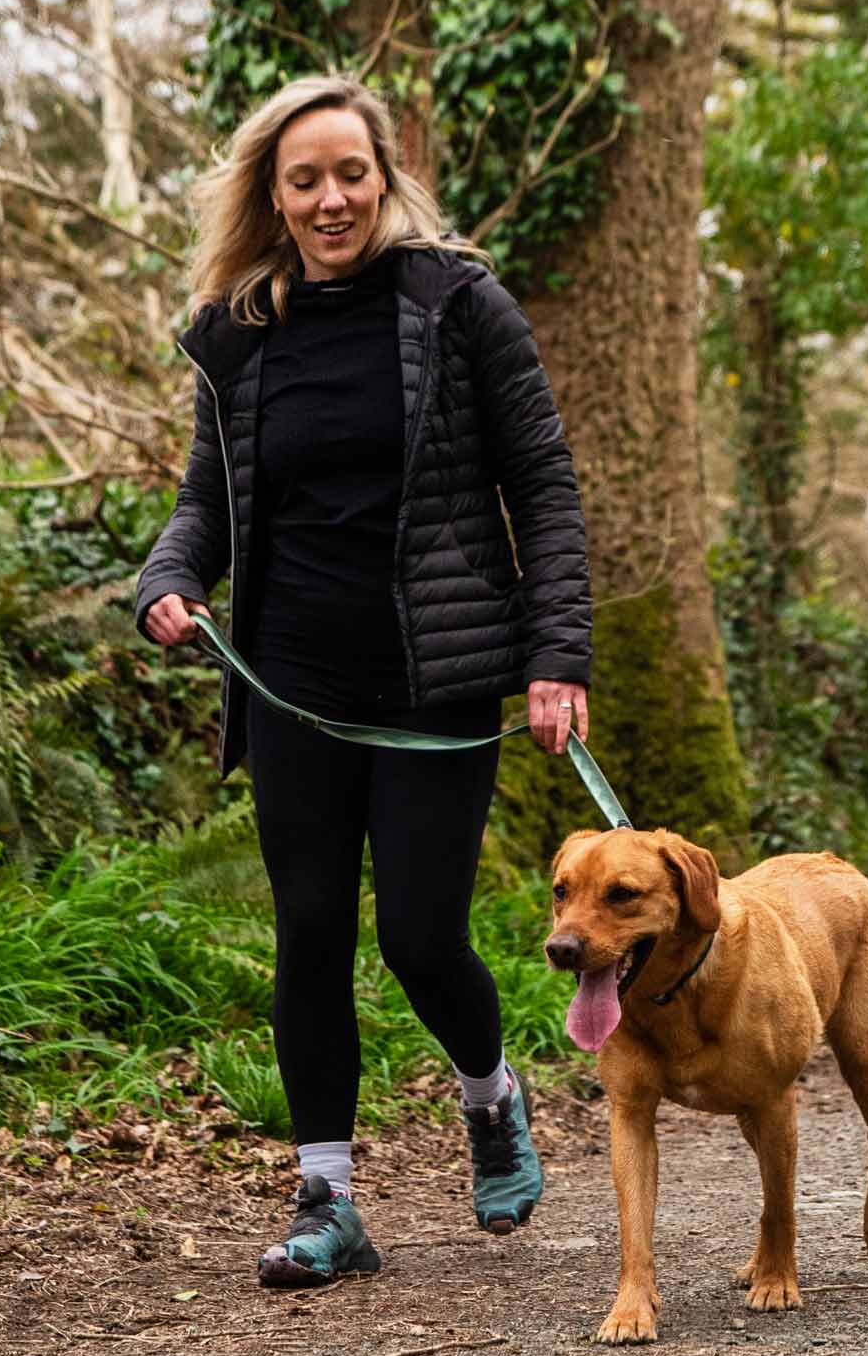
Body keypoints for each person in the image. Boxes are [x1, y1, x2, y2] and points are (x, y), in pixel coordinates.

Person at [135, 74, 592, 1288]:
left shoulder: (457, 305)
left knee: (421, 936)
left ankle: (490, 1095)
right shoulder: (238, 335)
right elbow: (206, 507)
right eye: (304, 179)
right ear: (273, 197)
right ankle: (327, 1195)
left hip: (434, 676)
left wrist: (556, 654)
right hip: (291, 679)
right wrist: (165, 580)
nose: (331, 197)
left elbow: (542, 482)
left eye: (350, 172)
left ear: (383, 177)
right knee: (309, 935)